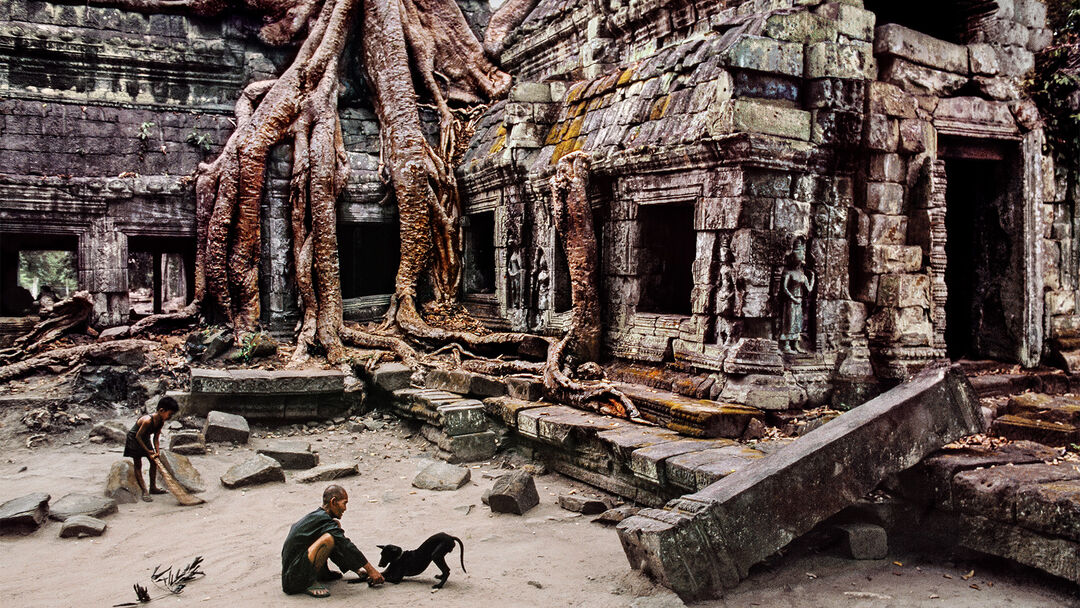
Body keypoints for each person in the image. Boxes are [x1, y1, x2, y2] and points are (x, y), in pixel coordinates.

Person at [281, 485, 385, 598]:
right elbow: (346, 545)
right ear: (333, 502)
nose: (345, 508)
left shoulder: (321, 517)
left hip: (294, 570)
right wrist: (371, 570)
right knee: (328, 539)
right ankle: (308, 583)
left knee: (335, 531)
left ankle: (322, 573)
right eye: (344, 503)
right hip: (292, 579)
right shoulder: (323, 520)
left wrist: (357, 570)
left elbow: (339, 546)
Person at [123, 396, 179, 502]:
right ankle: (144, 491)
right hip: (134, 439)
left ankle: (153, 487)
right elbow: (138, 436)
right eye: (170, 414)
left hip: (145, 438)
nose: (170, 417)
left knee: (153, 462)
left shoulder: (161, 422)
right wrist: (147, 450)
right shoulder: (148, 421)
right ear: (161, 410)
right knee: (138, 464)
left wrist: (156, 451)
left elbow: (156, 438)